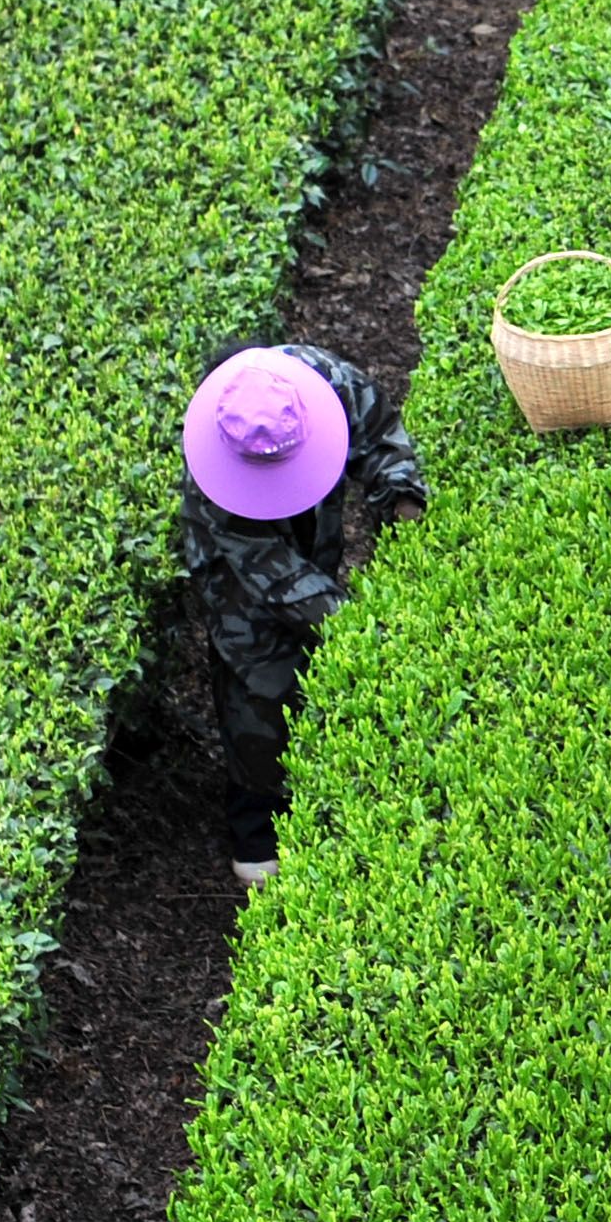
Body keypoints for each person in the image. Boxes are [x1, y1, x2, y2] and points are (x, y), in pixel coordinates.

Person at [166, 342, 421, 887]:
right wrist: (354, 624)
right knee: (258, 675)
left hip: (312, 532)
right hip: (241, 580)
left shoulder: (323, 381)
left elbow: (379, 436)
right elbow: (278, 576)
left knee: (316, 651)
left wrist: (401, 497)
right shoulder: (214, 483)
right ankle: (255, 826)